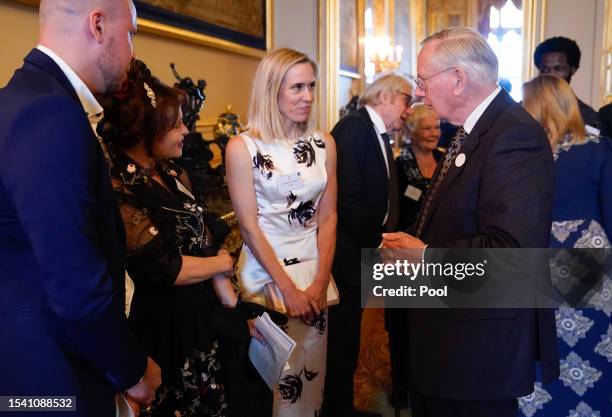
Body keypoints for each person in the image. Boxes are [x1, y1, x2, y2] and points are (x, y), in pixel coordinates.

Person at [382, 27, 559, 417]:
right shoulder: (472, 131)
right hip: (449, 343)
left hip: (476, 352)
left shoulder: (513, 137)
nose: (419, 91)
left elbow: (513, 257)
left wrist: (425, 256)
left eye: (423, 79)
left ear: (458, 78)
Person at [0, 1, 160, 416]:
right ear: (98, 25)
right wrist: (132, 370)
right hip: (50, 375)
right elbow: (75, 283)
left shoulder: (20, 98)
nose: (132, 52)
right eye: (131, 35)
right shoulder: (50, 113)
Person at [99, 59, 256, 417]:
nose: (187, 130)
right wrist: (219, 264)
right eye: (177, 123)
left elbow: (206, 238)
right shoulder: (120, 188)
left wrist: (236, 311)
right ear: (149, 130)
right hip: (165, 328)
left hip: (205, 319)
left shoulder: (173, 172)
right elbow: (166, 267)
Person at [226, 48, 337, 417]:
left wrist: (320, 281)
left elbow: (329, 216)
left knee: (310, 383)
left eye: (311, 86)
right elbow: (248, 226)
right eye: (297, 88)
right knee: (270, 387)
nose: (308, 96)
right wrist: (287, 288)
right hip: (265, 278)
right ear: (272, 90)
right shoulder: (243, 146)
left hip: (315, 277)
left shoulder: (325, 144)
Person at [519, 74, 612, 417]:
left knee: (542, 347)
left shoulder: (522, 154)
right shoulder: (599, 148)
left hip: (538, 255)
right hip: (590, 256)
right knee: (592, 350)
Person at [322, 72, 412, 417]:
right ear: (387, 96)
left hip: (364, 252)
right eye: (407, 100)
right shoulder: (355, 128)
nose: (409, 109)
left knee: (351, 341)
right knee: (342, 342)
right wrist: (379, 242)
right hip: (348, 255)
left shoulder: (377, 132)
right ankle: (336, 408)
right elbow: (348, 199)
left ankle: (342, 405)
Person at [534, 36, 600, 130]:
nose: (551, 76)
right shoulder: (524, 110)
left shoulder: (588, 116)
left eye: (559, 69)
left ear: (573, 70)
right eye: (545, 70)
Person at [396, 103, 444, 231]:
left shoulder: (447, 160)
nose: (434, 134)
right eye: (427, 128)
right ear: (411, 132)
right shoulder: (398, 164)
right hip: (407, 239)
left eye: (437, 127)